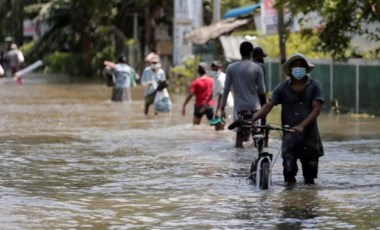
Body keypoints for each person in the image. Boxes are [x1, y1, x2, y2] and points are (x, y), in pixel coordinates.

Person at [252, 53, 324, 185]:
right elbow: (268, 106)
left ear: (306, 68)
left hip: (310, 139)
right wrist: (252, 119)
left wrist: (302, 126)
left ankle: (308, 204)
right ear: (290, 68)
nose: (298, 67)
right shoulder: (282, 87)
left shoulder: (314, 86)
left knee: (309, 180)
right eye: (295, 65)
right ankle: (290, 203)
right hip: (289, 140)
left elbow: (316, 110)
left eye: (301, 65)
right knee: (289, 175)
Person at [221, 41, 266, 148]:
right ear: (251, 52)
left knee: (239, 141)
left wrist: (222, 108)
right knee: (257, 139)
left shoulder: (231, 67)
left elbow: (226, 89)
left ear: (240, 52)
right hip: (255, 108)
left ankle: (239, 164)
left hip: (239, 108)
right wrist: (264, 109)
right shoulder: (257, 68)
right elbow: (262, 91)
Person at [182, 62, 216, 127]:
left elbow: (190, 94)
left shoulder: (195, 82)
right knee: (213, 126)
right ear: (206, 71)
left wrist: (184, 105)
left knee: (195, 127)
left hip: (199, 106)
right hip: (210, 105)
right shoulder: (212, 80)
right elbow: (215, 93)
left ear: (198, 71)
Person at [209, 60, 234, 130]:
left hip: (224, 105)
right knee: (222, 124)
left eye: (216, 69)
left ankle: (220, 140)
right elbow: (214, 91)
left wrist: (217, 111)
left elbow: (221, 94)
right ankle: (222, 137)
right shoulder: (219, 76)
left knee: (217, 128)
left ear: (220, 68)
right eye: (213, 69)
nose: (214, 71)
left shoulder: (220, 79)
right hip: (226, 105)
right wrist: (206, 102)